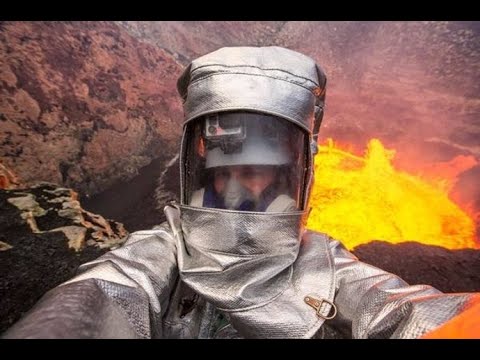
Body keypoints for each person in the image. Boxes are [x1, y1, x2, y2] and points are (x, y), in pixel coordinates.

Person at [3, 46, 479, 339]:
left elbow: (398, 308)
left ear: (287, 176)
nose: (245, 186)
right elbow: (112, 288)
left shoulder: (320, 261)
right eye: (232, 172)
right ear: (206, 171)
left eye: (262, 173)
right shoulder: (166, 248)